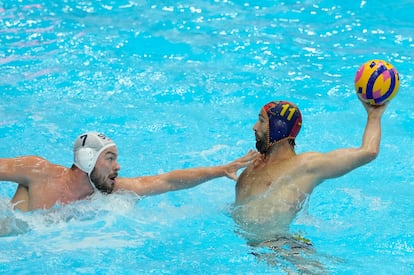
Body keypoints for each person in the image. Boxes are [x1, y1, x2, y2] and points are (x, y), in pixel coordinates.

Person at [232, 99, 387, 247]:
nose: (255, 127)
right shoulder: (251, 167)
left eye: (261, 121)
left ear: (278, 127)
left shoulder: (306, 166)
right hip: (247, 247)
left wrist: (374, 115)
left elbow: (368, 152)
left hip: (282, 248)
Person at [0, 132, 257, 212]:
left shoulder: (109, 193)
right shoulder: (38, 172)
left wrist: (220, 170)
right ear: (87, 159)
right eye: (110, 158)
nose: (118, 167)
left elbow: (166, 181)